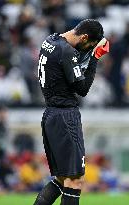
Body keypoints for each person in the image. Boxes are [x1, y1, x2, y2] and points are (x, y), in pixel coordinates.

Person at [34, 19, 109, 205]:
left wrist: (87, 50)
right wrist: (95, 57)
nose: (88, 48)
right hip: (65, 117)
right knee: (75, 180)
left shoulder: (50, 41)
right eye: (89, 44)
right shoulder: (66, 52)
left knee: (61, 179)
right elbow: (82, 89)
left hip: (50, 114)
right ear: (84, 37)